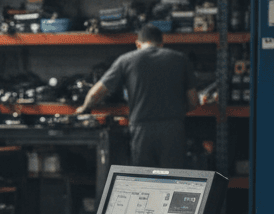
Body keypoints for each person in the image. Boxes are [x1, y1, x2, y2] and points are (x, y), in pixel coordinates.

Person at [75, 24, 199, 168]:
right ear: (161, 43)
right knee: (172, 179)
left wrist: (84, 108)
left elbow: (97, 92)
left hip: (142, 129)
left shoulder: (126, 60)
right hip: (173, 129)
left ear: (138, 44)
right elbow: (194, 101)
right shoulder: (181, 59)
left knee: (144, 181)